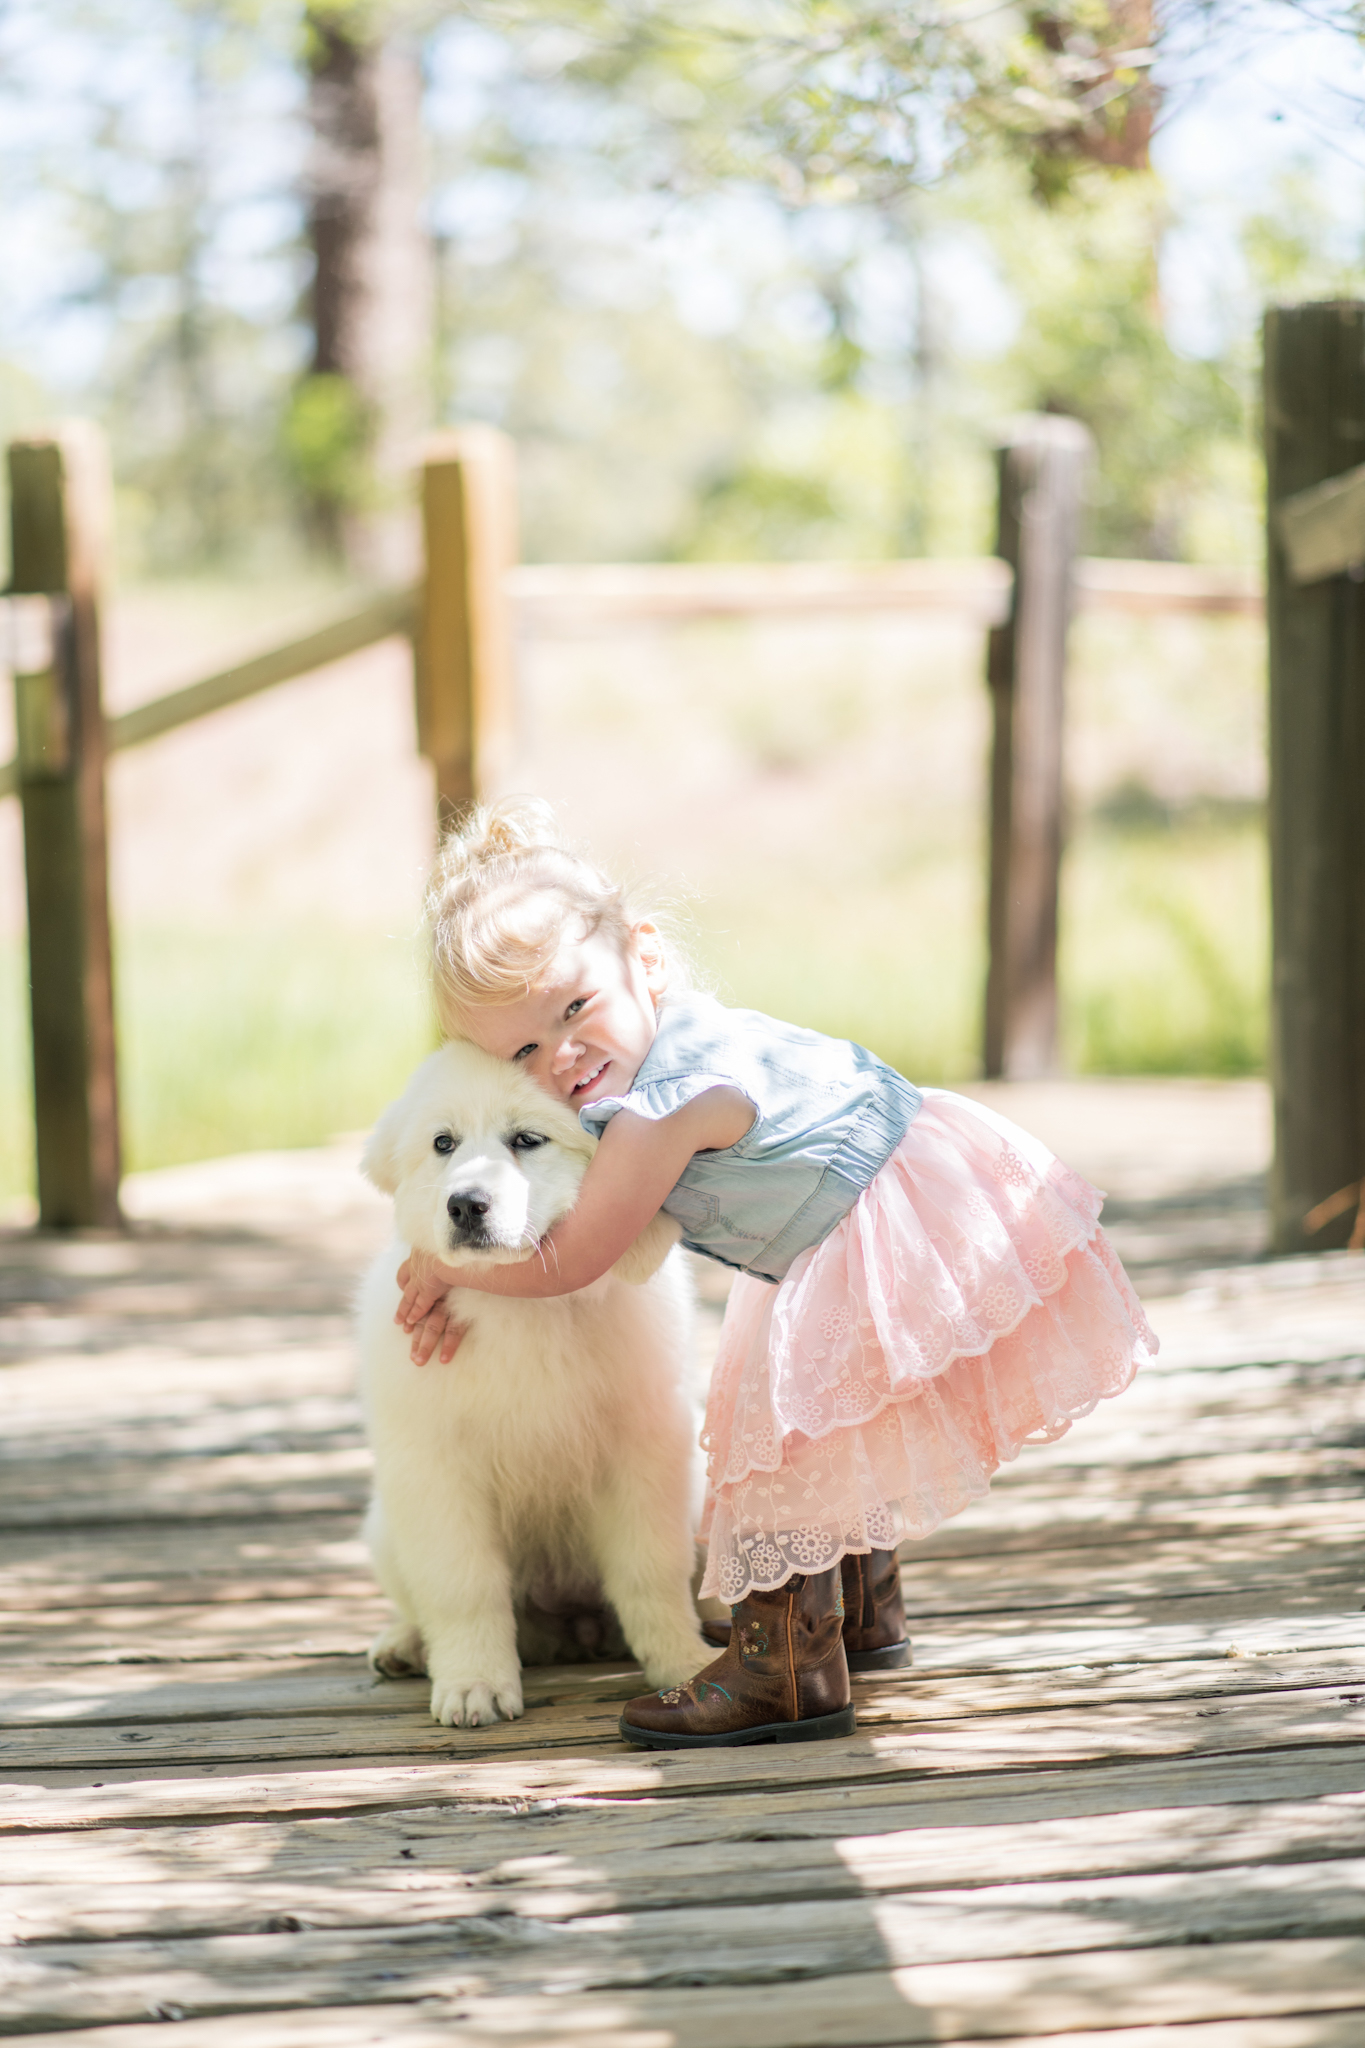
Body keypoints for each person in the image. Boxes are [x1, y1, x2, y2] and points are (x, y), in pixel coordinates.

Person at [395, 798, 1157, 1750]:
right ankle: (862, 1614)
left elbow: (581, 1257)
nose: (561, 1055)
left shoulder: (655, 1112)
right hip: (894, 1198)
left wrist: (444, 1268)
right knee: (844, 1425)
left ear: (645, 954)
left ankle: (785, 1667)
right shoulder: (678, 1040)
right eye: (521, 1051)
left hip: (863, 1232)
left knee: (785, 1444)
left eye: (574, 1009)